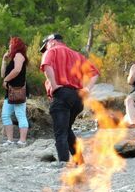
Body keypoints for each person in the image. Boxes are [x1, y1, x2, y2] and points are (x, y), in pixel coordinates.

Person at [39, 33, 100, 165]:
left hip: (62, 95)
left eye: (45, 46)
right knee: (66, 129)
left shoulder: (52, 50)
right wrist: (87, 89)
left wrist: (54, 85)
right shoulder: (77, 55)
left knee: (60, 132)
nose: (45, 50)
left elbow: (46, 66)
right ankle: (80, 161)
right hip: (78, 98)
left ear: (52, 41)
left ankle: (63, 164)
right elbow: (95, 73)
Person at [0, 36, 29, 147]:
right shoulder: (13, 58)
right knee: (5, 115)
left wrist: (6, 80)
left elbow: (17, 70)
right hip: (10, 92)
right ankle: (10, 140)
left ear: (16, 45)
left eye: (11, 44)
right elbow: (3, 74)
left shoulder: (19, 55)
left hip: (18, 91)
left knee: (20, 114)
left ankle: (22, 141)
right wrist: (4, 60)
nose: (9, 46)